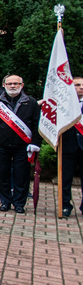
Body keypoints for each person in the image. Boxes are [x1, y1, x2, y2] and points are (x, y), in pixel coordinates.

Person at [0, 74, 40, 214]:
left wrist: (35, 143)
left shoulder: (31, 102)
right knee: (3, 175)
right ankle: (5, 202)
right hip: (1, 145)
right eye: (9, 84)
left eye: (16, 83)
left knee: (21, 176)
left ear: (22, 85)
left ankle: (19, 203)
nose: (13, 86)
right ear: (4, 85)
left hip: (23, 146)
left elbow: (36, 125)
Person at [60, 77, 83, 218]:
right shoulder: (63, 104)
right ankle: (65, 205)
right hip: (68, 145)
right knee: (65, 178)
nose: (81, 87)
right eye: (77, 85)